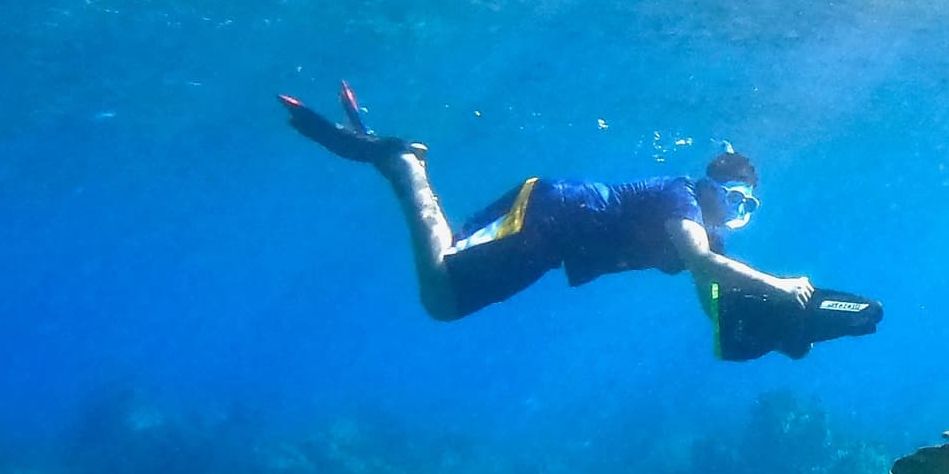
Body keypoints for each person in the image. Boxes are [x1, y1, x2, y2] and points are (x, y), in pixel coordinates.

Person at [279, 82, 815, 326]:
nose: (737, 209)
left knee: (446, 284)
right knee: (443, 299)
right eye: (736, 197)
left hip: (548, 218)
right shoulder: (682, 200)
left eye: (747, 203)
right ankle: (404, 168)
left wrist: (739, 331)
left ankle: (403, 168)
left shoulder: (699, 229)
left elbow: (709, 280)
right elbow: (704, 265)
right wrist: (783, 285)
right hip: (549, 219)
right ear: (712, 189)